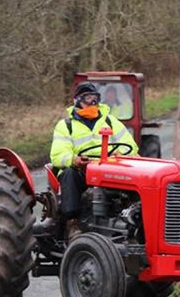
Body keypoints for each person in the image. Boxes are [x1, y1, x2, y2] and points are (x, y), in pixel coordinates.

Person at [49, 82, 139, 239]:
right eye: (88, 98)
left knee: (136, 173)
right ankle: (72, 223)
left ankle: (134, 219)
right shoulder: (65, 126)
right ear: (77, 101)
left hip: (110, 168)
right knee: (69, 174)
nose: (92, 103)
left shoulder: (110, 121)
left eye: (95, 98)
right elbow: (57, 155)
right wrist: (74, 160)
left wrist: (120, 154)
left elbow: (131, 147)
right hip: (81, 171)